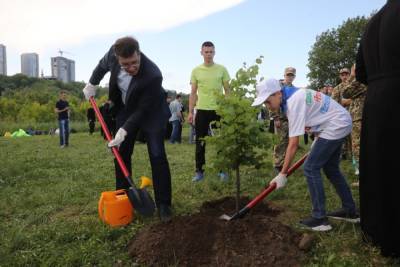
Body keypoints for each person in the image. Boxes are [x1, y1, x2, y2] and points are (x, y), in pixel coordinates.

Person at [82, 36, 172, 221]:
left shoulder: (153, 74)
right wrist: (92, 83)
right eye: (125, 64)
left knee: (156, 154)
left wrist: (125, 130)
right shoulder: (112, 54)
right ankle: (123, 197)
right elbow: (101, 66)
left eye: (134, 62)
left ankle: (164, 205)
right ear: (117, 57)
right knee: (121, 152)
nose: (131, 68)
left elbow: (143, 110)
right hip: (126, 107)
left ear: (139, 54)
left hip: (151, 111)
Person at [253, 78, 359, 232]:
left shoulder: (293, 103)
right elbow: (317, 114)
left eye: (268, 102)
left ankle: (319, 218)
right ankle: (350, 210)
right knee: (331, 169)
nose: (267, 106)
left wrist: (282, 173)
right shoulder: (294, 95)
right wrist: (317, 139)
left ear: (277, 94)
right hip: (338, 122)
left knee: (310, 168)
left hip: (335, 125)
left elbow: (293, 144)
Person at [355, 0, 400, 257]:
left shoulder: (371, 23)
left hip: (375, 99)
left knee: (377, 167)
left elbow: (360, 72)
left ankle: (374, 231)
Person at [188, 41, 230, 182]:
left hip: (218, 111)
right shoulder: (196, 71)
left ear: (214, 52)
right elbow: (193, 93)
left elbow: (227, 91)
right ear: (201, 53)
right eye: (206, 52)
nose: (209, 55)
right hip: (201, 110)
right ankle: (199, 172)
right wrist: (190, 112)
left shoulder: (222, 69)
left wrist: (227, 108)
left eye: (211, 52)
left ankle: (222, 170)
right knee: (200, 142)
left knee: (221, 142)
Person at [342, 64, 367, 186]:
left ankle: (363, 179)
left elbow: (345, 92)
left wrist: (352, 76)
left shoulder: (361, 79)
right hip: (364, 116)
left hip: (358, 118)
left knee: (358, 148)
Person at [270, 67, 298, 172]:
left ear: (294, 77)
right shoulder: (278, 87)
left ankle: (285, 164)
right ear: (284, 75)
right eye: (288, 75)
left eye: (291, 75)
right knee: (280, 142)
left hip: (290, 119)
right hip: (280, 119)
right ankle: (277, 164)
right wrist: (275, 117)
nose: (289, 77)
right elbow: (272, 103)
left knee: (289, 143)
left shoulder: (294, 89)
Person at [332, 68, 352, 160]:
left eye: (346, 74)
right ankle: (343, 154)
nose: (344, 76)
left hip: (354, 115)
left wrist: (348, 101)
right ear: (340, 76)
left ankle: (354, 155)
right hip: (342, 116)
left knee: (354, 137)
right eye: (342, 75)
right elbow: (333, 104)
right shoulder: (337, 88)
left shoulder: (354, 85)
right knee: (342, 136)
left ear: (349, 75)